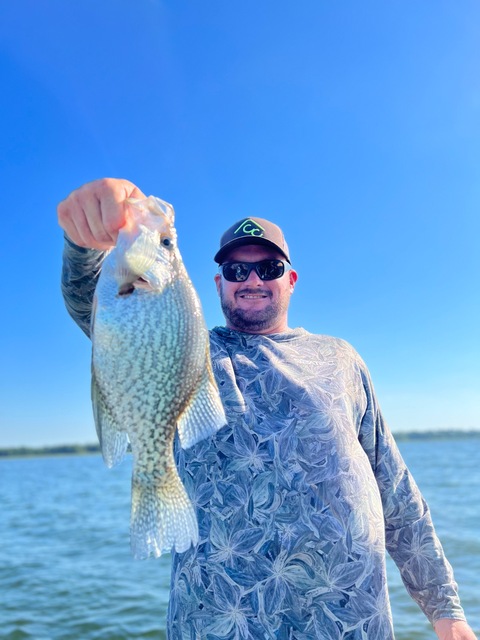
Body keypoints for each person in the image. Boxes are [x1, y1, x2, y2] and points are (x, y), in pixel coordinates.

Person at [58, 178, 477, 640]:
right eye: (237, 271)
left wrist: (446, 609)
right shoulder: (194, 350)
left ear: (290, 280)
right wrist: (84, 241)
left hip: (353, 624)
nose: (253, 280)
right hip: (217, 624)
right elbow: (96, 304)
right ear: (218, 284)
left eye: (269, 267)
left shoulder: (342, 358)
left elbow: (394, 489)